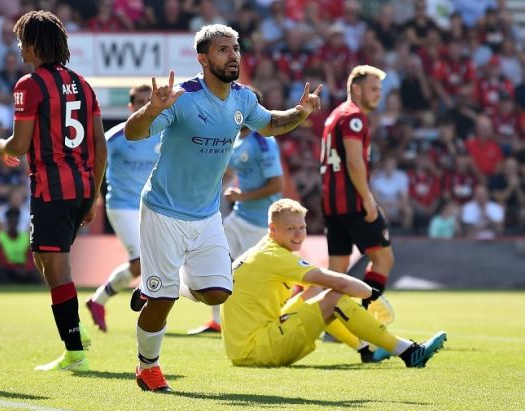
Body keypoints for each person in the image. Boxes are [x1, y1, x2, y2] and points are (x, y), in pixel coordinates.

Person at [123, 24, 323, 392]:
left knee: (218, 292)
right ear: (203, 58)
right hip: (163, 210)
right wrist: (151, 110)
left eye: (236, 49)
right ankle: (147, 367)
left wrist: (301, 111)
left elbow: (272, 124)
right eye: (222, 50)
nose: (233, 56)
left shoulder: (243, 99)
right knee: (164, 300)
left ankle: (156, 287)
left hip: (206, 213)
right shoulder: (182, 97)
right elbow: (133, 134)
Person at [0, 10, 107, 372]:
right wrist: (92, 196)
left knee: (55, 267)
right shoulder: (83, 84)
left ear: (34, 44)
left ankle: (75, 351)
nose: (18, 48)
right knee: (46, 257)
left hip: (52, 189)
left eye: (21, 41)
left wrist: (2, 146)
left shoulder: (29, 85)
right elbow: (100, 145)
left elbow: (21, 144)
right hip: (81, 187)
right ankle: (75, 331)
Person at [221, 198, 447, 368]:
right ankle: (408, 352)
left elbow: (318, 287)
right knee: (335, 296)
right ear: (272, 229)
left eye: (302, 227)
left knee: (317, 295)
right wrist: (372, 294)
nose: (299, 234)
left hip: (243, 349)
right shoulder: (275, 257)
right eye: (291, 229)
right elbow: (338, 282)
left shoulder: (263, 250)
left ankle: (366, 348)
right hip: (258, 348)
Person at [189, 87, 284, 335]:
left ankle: (281, 317)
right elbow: (229, 173)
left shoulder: (265, 142)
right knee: (215, 261)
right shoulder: (236, 138)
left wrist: (243, 194)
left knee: (266, 277)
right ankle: (217, 321)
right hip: (240, 216)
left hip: (262, 222)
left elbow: (277, 185)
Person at [318, 65, 396, 330]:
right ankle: (368, 327)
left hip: (332, 205)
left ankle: (308, 325)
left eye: (380, 90)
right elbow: (354, 162)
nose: (378, 95)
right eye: (374, 89)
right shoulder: (354, 116)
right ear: (356, 88)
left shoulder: (334, 115)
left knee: (336, 277)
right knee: (383, 259)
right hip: (353, 203)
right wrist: (368, 199)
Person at [86, 85, 160, 332]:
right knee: (140, 263)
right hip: (122, 206)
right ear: (131, 107)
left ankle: (98, 301)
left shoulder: (162, 134)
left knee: (147, 263)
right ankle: (143, 301)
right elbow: (94, 162)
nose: (144, 105)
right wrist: (92, 197)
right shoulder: (117, 137)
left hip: (151, 207)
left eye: (147, 101)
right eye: (139, 101)